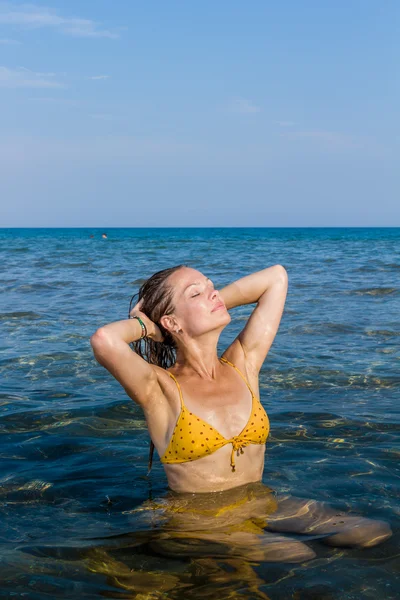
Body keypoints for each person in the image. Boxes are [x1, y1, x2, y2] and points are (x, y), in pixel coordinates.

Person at [90, 265, 391, 562]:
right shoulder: (160, 387)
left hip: (259, 502)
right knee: (295, 553)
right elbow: (105, 340)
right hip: (199, 519)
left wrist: (213, 302)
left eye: (212, 287)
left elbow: (276, 278)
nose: (213, 294)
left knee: (372, 532)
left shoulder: (243, 363)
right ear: (171, 322)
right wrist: (149, 327)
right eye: (197, 293)